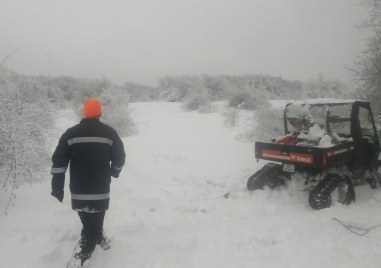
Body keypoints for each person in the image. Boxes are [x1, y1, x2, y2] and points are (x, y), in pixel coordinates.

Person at [50, 98, 126, 266]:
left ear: (84, 113)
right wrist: (114, 171)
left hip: (78, 190)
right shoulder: (109, 133)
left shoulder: (70, 133)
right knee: (95, 220)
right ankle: (82, 254)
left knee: (87, 218)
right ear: (100, 113)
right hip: (100, 189)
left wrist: (57, 185)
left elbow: (59, 161)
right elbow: (120, 157)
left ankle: (96, 237)